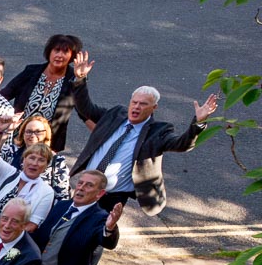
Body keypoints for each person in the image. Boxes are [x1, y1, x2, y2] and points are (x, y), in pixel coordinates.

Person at [70, 76, 221, 216]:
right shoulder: (116, 114)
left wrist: (198, 123)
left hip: (112, 196)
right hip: (86, 185)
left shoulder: (159, 131)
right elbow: (86, 109)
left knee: (93, 233)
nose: (136, 107)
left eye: (143, 104)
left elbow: (182, 145)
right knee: (69, 222)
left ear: (154, 108)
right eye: (134, 102)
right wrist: (80, 80)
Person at [0, 36, 87, 152]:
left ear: (72, 56)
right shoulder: (31, 71)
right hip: (17, 137)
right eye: (56, 50)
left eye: (65, 52)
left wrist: (80, 79)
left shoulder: (74, 79)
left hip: (46, 144)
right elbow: (5, 94)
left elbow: (84, 107)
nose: (59, 55)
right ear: (49, 52)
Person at [0, 113, 71, 197]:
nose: (32, 135)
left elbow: (62, 195)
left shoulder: (56, 161)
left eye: (38, 132)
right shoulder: (10, 151)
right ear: (22, 134)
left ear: (46, 134)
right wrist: (5, 131)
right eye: (29, 131)